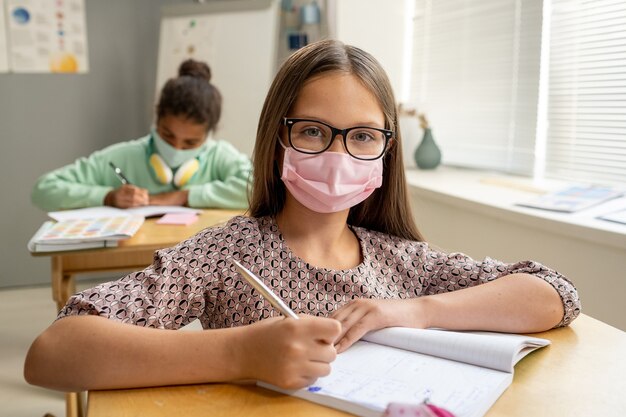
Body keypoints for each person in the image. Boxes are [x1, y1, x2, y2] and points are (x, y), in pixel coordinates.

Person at [24, 40, 580, 393]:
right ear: (277, 138)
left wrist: (416, 311)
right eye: (313, 130)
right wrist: (240, 353)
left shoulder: (400, 261)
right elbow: (56, 353)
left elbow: (556, 293)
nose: (337, 156)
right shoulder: (227, 252)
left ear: (385, 152)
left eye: (362, 136)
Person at [31, 59, 251, 211]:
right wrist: (107, 197)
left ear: (208, 135)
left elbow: (260, 187)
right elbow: (44, 189)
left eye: (191, 142)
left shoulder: (219, 155)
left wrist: (185, 196)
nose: (176, 148)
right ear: (156, 119)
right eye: (167, 135)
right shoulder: (124, 156)